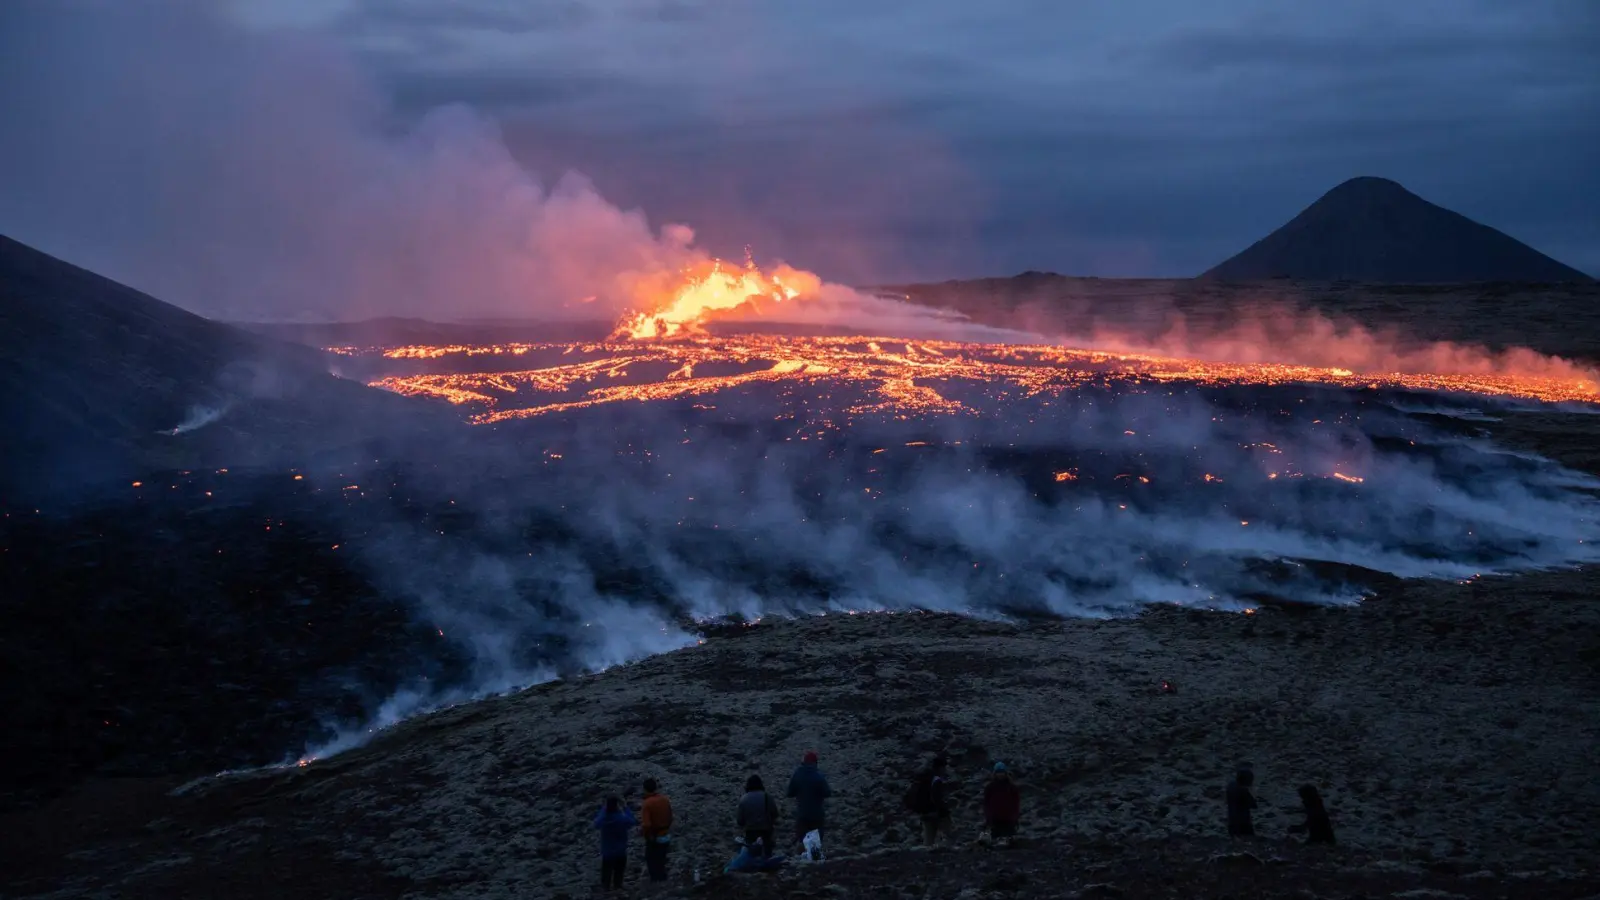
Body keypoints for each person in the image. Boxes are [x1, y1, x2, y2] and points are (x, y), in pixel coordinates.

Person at [786, 750, 832, 849]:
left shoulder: (797, 774)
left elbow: (789, 793)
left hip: (802, 814)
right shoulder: (819, 776)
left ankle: (802, 861)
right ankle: (815, 861)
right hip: (817, 815)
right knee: (816, 843)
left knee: (802, 842)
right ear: (815, 763)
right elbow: (827, 793)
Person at [593, 795, 638, 891]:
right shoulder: (621, 819)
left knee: (606, 871)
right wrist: (625, 807)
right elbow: (632, 822)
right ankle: (618, 887)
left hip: (607, 851)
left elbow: (596, 824)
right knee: (619, 871)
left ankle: (606, 888)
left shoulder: (604, 820)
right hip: (620, 850)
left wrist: (604, 809)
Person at [904, 755, 952, 845]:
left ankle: (927, 855)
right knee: (947, 833)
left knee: (928, 839)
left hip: (923, 812)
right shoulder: (936, 779)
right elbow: (936, 797)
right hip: (934, 811)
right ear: (941, 767)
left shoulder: (925, 778)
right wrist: (943, 810)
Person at [640, 777, 674, 882]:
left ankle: (655, 883)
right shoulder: (665, 799)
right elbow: (671, 817)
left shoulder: (647, 803)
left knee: (651, 860)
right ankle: (664, 880)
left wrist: (645, 835)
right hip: (666, 834)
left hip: (654, 837)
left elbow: (647, 824)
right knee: (662, 860)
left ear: (645, 789)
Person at [737, 774, 780, 857]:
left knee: (752, 853)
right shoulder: (767, 797)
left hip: (750, 831)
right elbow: (775, 815)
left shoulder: (744, 799)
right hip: (766, 831)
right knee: (767, 853)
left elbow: (740, 821)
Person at [982, 761, 1021, 840]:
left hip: (1009, 819)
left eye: (1002, 772)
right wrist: (988, 817)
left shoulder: (1011, 787)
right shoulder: (990, 787)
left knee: (1008, 842)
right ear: (995, 774)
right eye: (998, 772)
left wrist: (1015, 817)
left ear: (1005, 773)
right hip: (995, 819)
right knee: (995, 842)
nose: (1000, 774)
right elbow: (986, 803)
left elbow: (1016, 803)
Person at [1225, 764, 1257, 838]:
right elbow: (1253, 805)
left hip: (1232, 822)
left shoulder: (1231, 786)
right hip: (1244, 824)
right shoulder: (1243, 791)